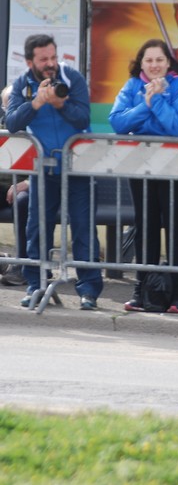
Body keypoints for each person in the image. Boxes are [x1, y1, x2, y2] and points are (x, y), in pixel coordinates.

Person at [5, 34, 103, 310]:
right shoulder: (23, 84)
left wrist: (60, 104)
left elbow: (83, 117)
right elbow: (12, 123)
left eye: (53, 57)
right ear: (29, 61)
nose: (50, 64)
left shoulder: (72, 78)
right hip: (42, 171)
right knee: (37, 229)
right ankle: (36, 285)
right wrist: (36, 103)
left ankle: (89, 290)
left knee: (83, 230)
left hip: (77, 169)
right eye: (43, 59)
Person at [109, 38, 178, 314]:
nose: (154, 65)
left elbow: (176, 126)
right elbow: (119, 122)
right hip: (142, 167)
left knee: (176, 228)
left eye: (159, 60)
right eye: (149, 60)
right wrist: (145, 105)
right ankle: (142, 291)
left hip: (176, 169)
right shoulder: (132, 86)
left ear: (168, 62)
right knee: (145, 226)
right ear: (141, 63)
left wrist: (155, 100)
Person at [0, 85, 29, 286]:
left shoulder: (37, 128)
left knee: (23, 202)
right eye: (8, 105)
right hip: (3, 187)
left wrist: (26, 183)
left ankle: (24, 266)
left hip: (34, 186)